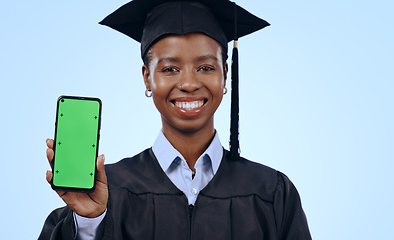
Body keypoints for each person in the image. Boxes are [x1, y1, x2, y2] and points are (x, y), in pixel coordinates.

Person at [39, 0, 312, 239]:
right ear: (148, 78)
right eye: (170, 69)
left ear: (225, 74)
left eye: (206, 67)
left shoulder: (272, 192)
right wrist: (89, 224)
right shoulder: (106, 190)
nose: (189, 83)